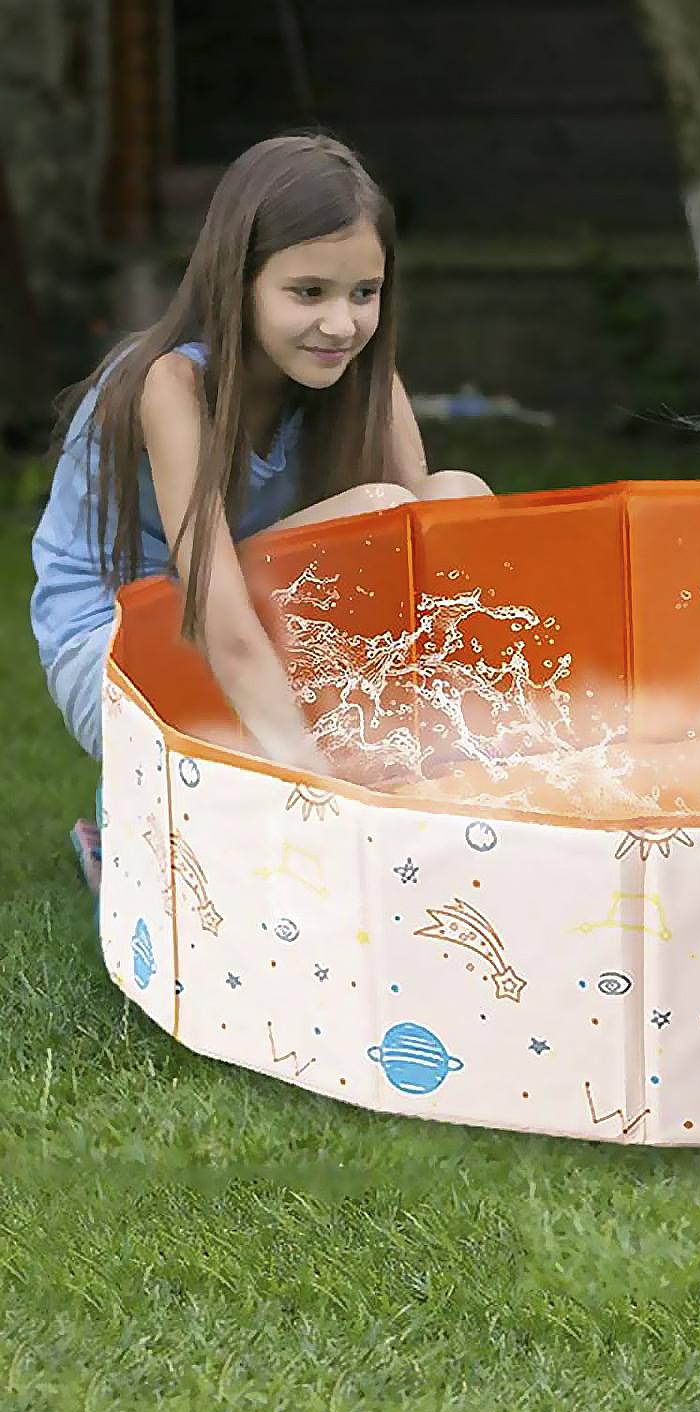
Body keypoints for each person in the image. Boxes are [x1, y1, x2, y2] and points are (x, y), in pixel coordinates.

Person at [29, 133, 489, 893]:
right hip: (119, 642)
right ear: (235, 281)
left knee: (453, 498)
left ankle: (406, 776)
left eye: (363, 293)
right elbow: (222, 621)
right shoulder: (170, 384)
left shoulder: (360, 373)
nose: (340, 324)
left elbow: (427, 563)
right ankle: (154, 806)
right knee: (381, 511)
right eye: (308, 292)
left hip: (247, 603)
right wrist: (318, 797)